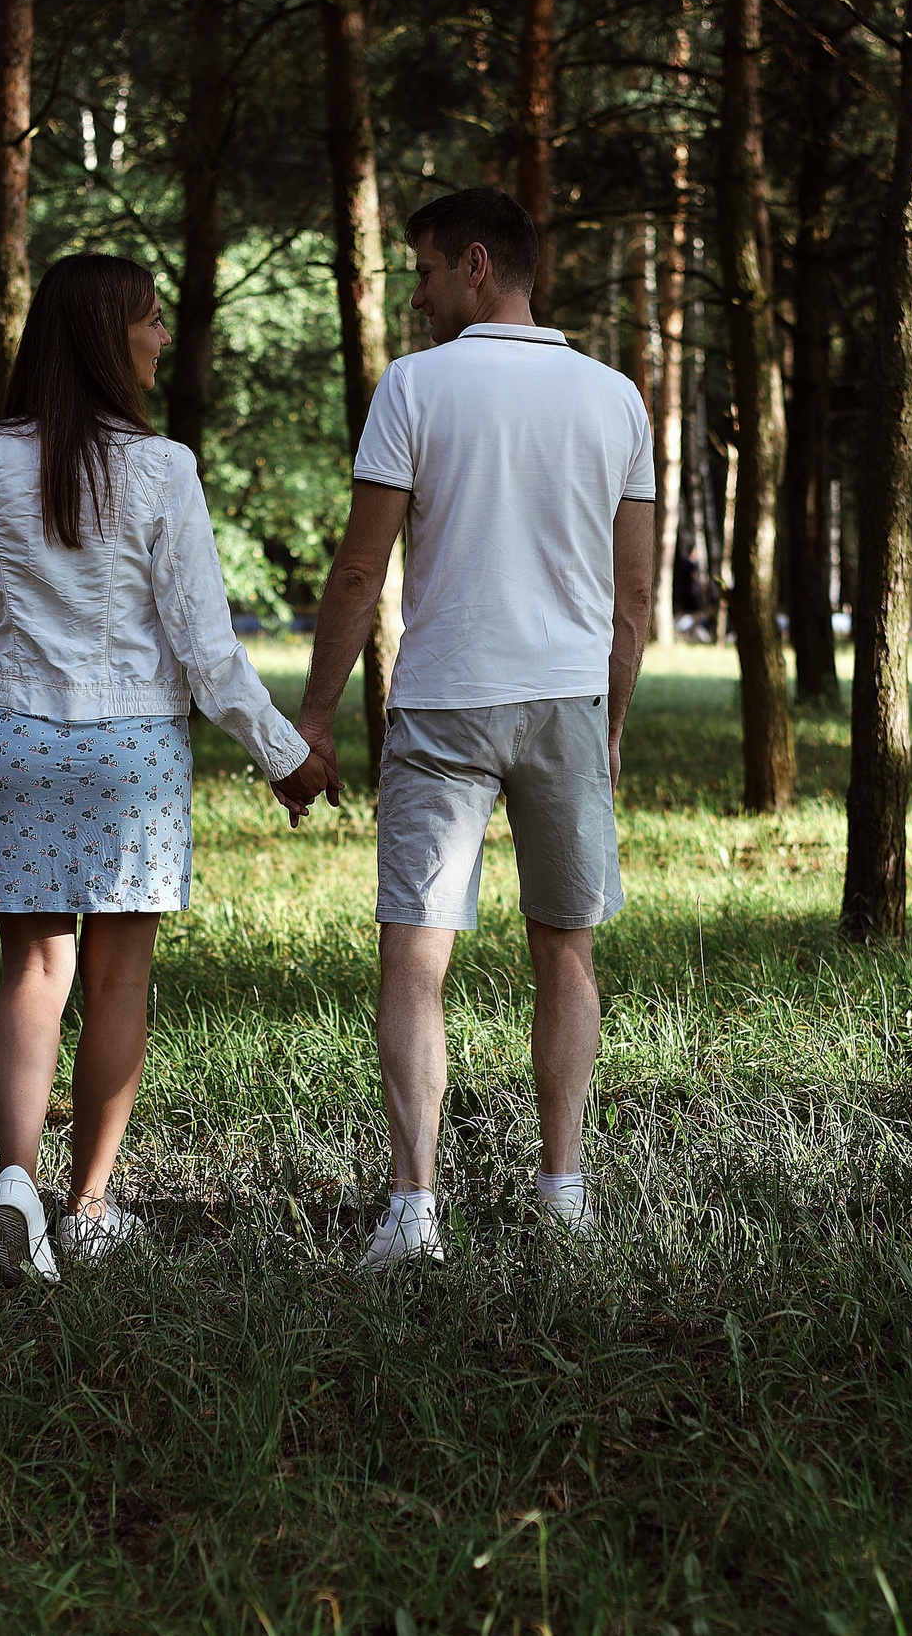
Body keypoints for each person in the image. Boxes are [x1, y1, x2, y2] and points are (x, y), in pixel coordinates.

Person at [0, 253, 336, 1285]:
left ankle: (16, 1182)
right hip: (132, 753)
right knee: (118, 979)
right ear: (107, 336)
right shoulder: (162, 469)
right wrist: (285, 755)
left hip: (16, 735)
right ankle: (89, 1209)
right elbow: (205, 649)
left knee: (34, 969)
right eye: (150, 321)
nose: (162, 337)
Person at [292, 187, 659, 1272]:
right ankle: (563, 1193)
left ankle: (415, 1212)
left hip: (445, 700)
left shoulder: (415, 387)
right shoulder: (617, 399)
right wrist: (610, 722)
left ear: (478, 265)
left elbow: (360, 569)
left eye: (423, 272)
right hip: (566, 701)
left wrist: (314, 715)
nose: (414, 297)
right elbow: (633, 597)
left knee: (416, 952)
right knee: (566, 948)